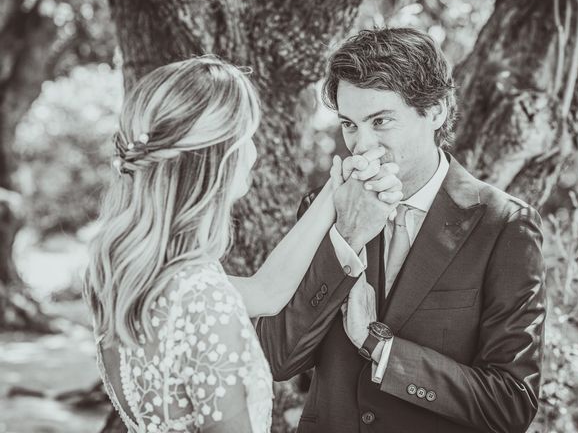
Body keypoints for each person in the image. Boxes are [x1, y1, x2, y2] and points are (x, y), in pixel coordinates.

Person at [83, 55, 404, 433]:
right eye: (248, 137)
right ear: (221, 158)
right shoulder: (205, 300)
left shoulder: (127, 276)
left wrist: (336, 190)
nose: (254, 152)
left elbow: (266, 291)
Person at [256, 27, 546, 433]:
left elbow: (511, 403)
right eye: (349, 125)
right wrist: (347, 237)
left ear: (437, 111)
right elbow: (276, 356)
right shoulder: (324, 210)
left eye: (380, 121)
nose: (361, 145)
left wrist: (382, 348)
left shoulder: (504, 226)